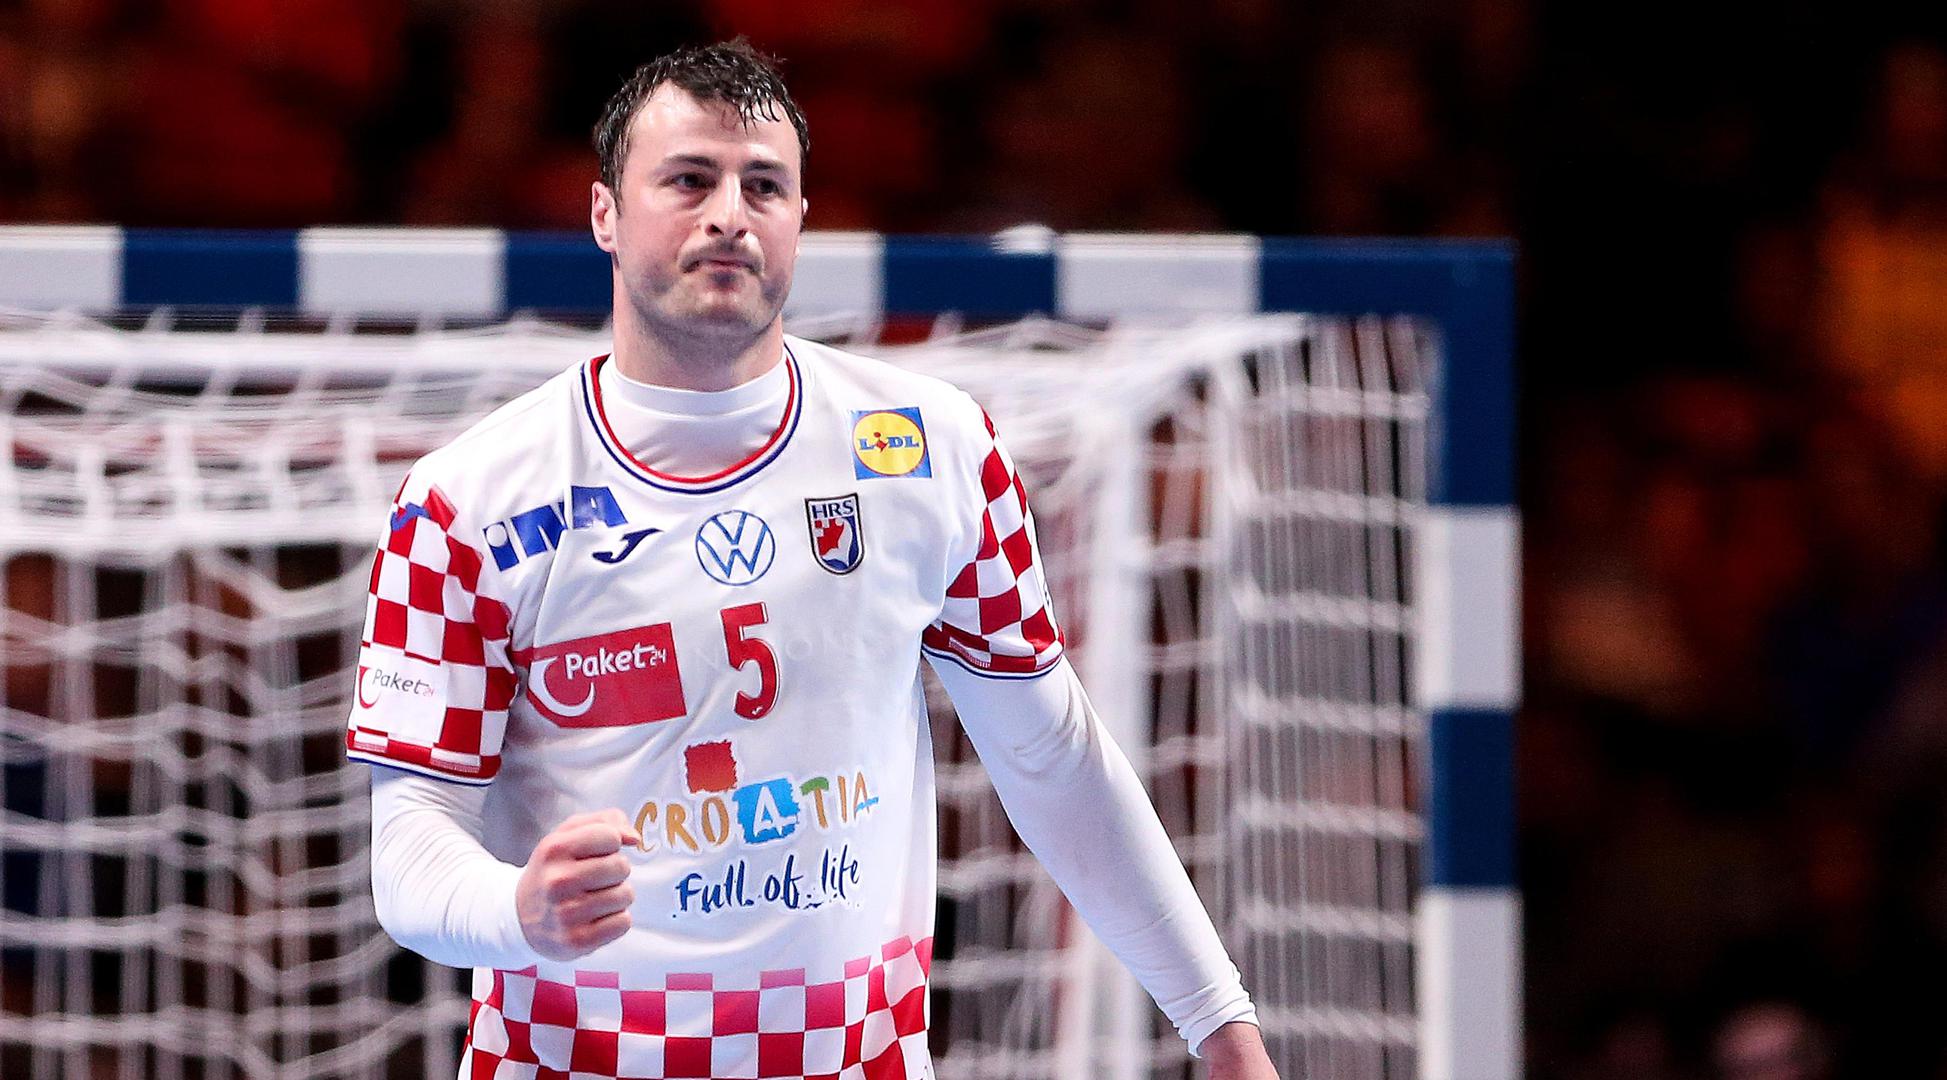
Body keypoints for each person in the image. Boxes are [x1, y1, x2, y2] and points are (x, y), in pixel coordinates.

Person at [347, 39, 1277, 1080]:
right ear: (605, 213)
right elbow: (410, 850)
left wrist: (1219, 1022)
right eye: (688, 180)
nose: (728, 215)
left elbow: (1053, 758)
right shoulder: (466, 500)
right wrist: (515, 908)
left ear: (800, 217)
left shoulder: (934, 450)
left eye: (763, 186)